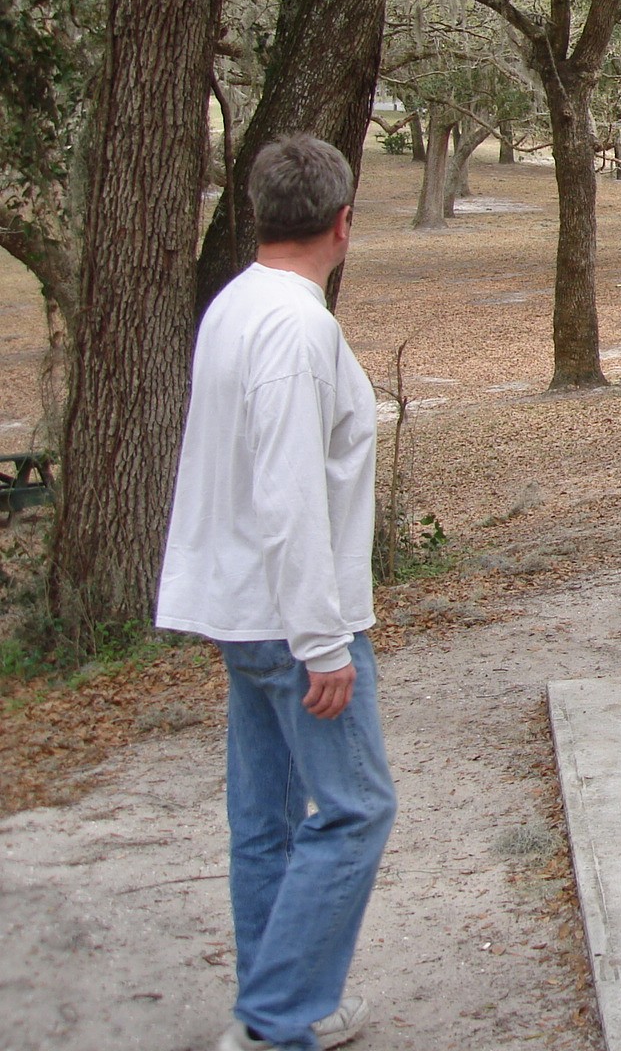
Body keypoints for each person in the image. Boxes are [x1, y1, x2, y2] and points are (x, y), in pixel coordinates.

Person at [156, 134, 395, 1051]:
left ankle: (281, 1003)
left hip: (241, 609)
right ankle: (276, 1019)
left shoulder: (235, 306)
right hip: (293, 620)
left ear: (260, 215)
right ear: (343, 224)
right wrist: (324, 642)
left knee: (266, 821)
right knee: (356, 808)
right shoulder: (298, 328)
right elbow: (290, 490)